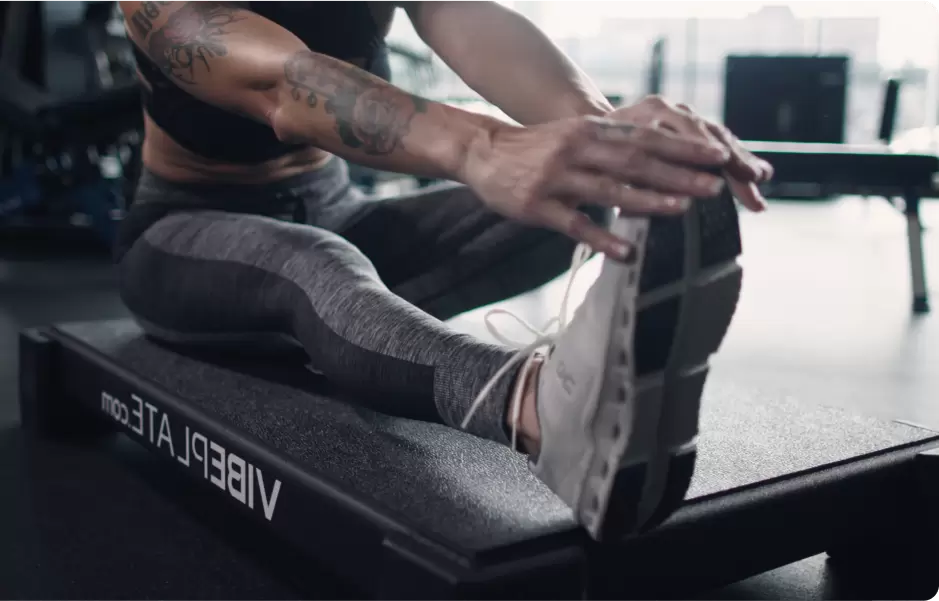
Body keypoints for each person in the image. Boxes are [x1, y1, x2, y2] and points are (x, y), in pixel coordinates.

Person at [114, 0, 773, 542]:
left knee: (583, 181)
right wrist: (481, 146)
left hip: (333, 206)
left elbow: (459, 12)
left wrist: (606, 134)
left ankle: (605, 345)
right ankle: (544, 408)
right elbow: (282, 85)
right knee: (313, 263)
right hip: (180, 230)